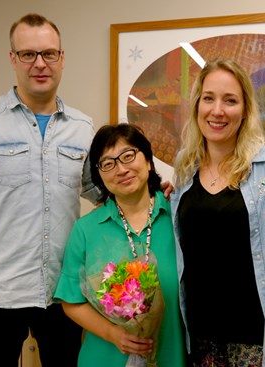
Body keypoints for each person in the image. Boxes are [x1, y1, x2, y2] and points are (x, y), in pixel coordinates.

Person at [0, 13, 101, 366]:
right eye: (28, 54)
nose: (39, 64)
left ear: (62, 58)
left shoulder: (83, 127)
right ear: (12, 59)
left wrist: (147, 191)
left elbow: (100, 192)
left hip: (65, 295)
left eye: (49, 54)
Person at [170, 58, 265, 367]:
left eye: (230, 100)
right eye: (209, 99)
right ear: (196, 105)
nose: (217, 110)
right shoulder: (184, 167)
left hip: (259, 342)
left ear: (245, 109)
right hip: (200, 341)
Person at [54, 123, 186, 366]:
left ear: (148, 160)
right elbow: (71, 301)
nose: (121, 169)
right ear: (100, 176)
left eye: (128, 156)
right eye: (108, 163)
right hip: (105, 357)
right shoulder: (86, 229)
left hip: (170, 355)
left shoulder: (178, 217)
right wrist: (113, 334)